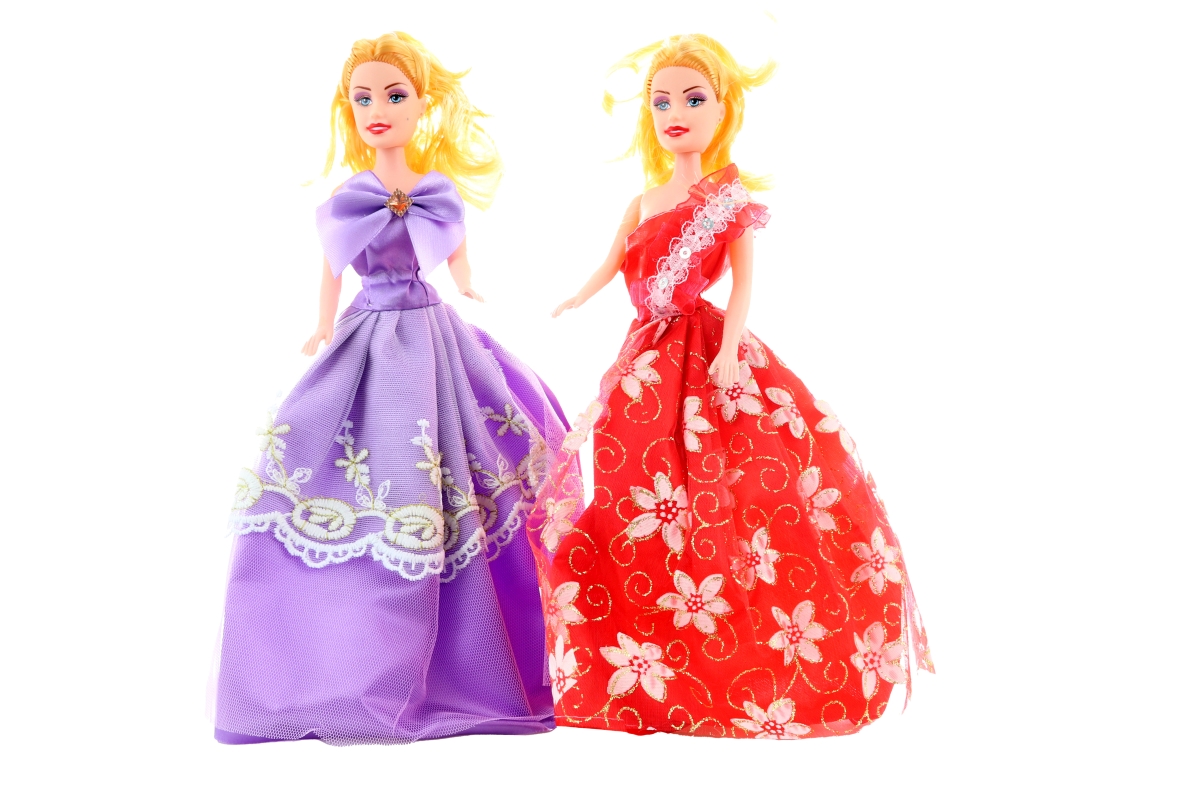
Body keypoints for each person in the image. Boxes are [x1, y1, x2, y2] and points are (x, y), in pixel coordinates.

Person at [530, 33, 933, 739]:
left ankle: (726, 641)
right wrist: (577, 296)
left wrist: (726, 351)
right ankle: (645, 643)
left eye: (692, 99)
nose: (675, 114)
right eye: (661, 102)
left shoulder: (728, 201)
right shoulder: (644, 198)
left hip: (705, 353)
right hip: (644, 359)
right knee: (636, 488)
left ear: (722, 110)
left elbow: (745, 285)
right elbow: (610, 263)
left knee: (723, 489)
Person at [214, 31, 567, 745]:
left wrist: (468, 282)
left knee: (461, 464)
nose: (378, 108)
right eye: (364, 97)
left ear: (421, 103)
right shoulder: (348, 197)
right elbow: (331, 270)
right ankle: (339, 659)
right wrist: (321, 326)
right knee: (355, 470)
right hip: (369, 337)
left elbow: (456, 253)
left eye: (394, 94)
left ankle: (462, 660)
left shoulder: (437, 191)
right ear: (348, 108)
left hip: (432, 336)